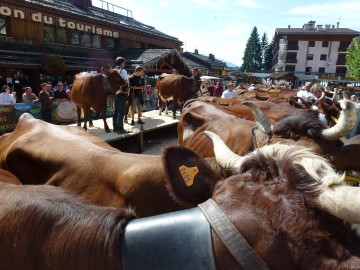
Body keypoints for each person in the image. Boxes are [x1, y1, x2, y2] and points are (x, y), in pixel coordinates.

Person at [113, 56, 129, 134]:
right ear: (122, 63)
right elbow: (126, 81)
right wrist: (128, 81)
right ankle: (120, 129)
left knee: (116, 110)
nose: (124, 64)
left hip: (115, 93)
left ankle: (115, 127)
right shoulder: (123, 71)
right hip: (122, 93)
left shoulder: (114, 70)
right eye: (124, 62)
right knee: (122, 111)